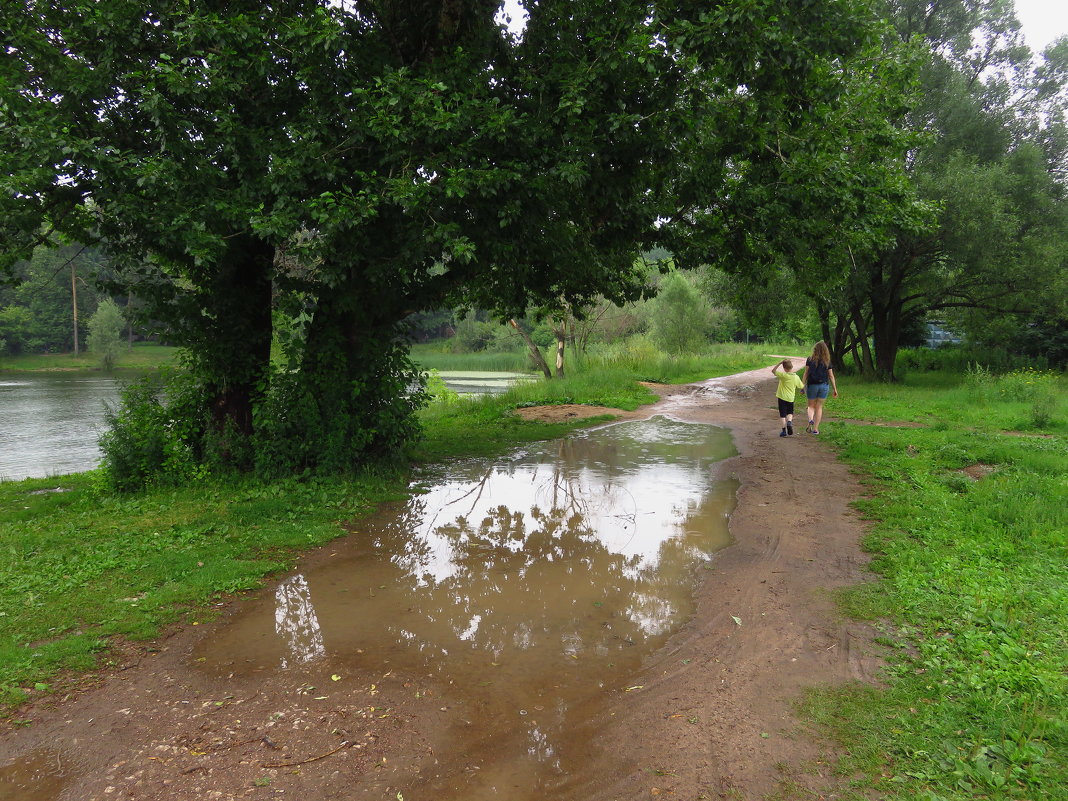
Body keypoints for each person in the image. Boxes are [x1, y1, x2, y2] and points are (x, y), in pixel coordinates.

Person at [800, 341, 838, 434]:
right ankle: (816, 429)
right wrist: (835, 389)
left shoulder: (810, 359)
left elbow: (806, 373)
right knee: (819, 407)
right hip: (823, 385)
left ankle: (810, 420)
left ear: (815, 350)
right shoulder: (827, 361)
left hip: (812, 385)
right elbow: (831, 376)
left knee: (810, 406)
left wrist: (802, 386)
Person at [771, 358, 804, 437]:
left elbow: (773, 371)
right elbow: (801, 386)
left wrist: (779, 363)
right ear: (791, 367)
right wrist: (802, 390)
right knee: (790, 412)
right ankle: (789, 421)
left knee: (782, 414)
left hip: (782, 397)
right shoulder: (796, 377)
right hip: (790, 398)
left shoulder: (784, 375)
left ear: (784, 368)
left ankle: (783, 431)